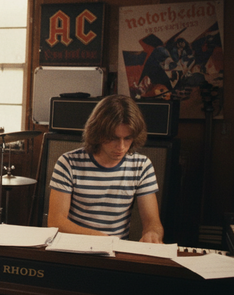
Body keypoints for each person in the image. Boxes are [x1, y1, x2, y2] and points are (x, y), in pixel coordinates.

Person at [48, 94, 164, 243]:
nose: (121, 147)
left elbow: (152, 222)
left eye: (127, 138)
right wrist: (101, 239)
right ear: (98, 133)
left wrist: (153, 233)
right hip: (74, 248)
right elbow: (56, 222)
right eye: (113, 138)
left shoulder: (142, 166)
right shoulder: (68, 163)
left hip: (115, 250)